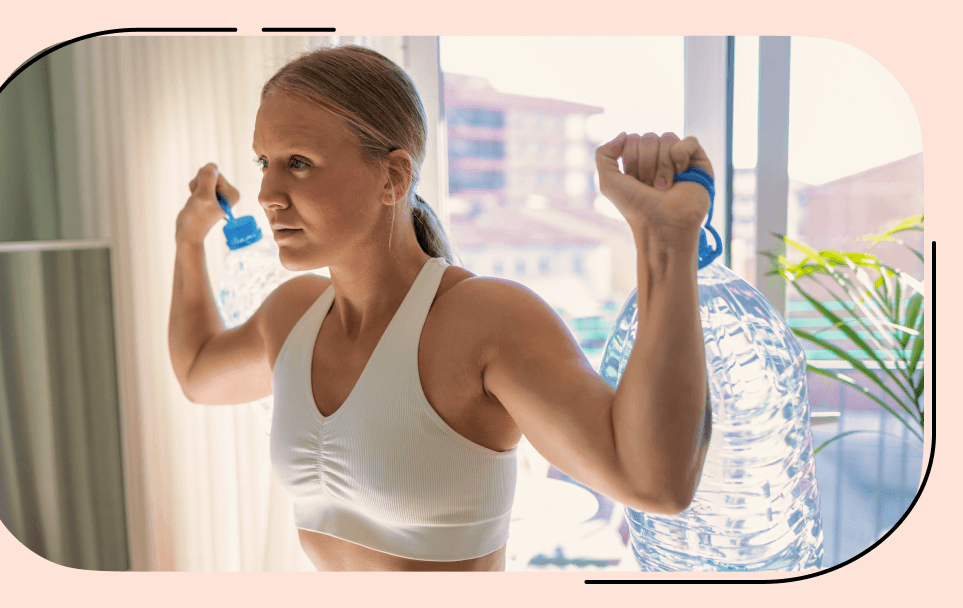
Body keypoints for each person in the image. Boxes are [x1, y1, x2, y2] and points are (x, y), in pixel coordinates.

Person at [168, 45, 712, 572]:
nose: (267, 193)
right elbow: (197, 374)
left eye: (299, 163)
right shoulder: (292, 315)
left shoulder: (484, 320)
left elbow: (654, 483)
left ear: (393, 178)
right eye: (265, 161)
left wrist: (664, 242)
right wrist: (188, 240)